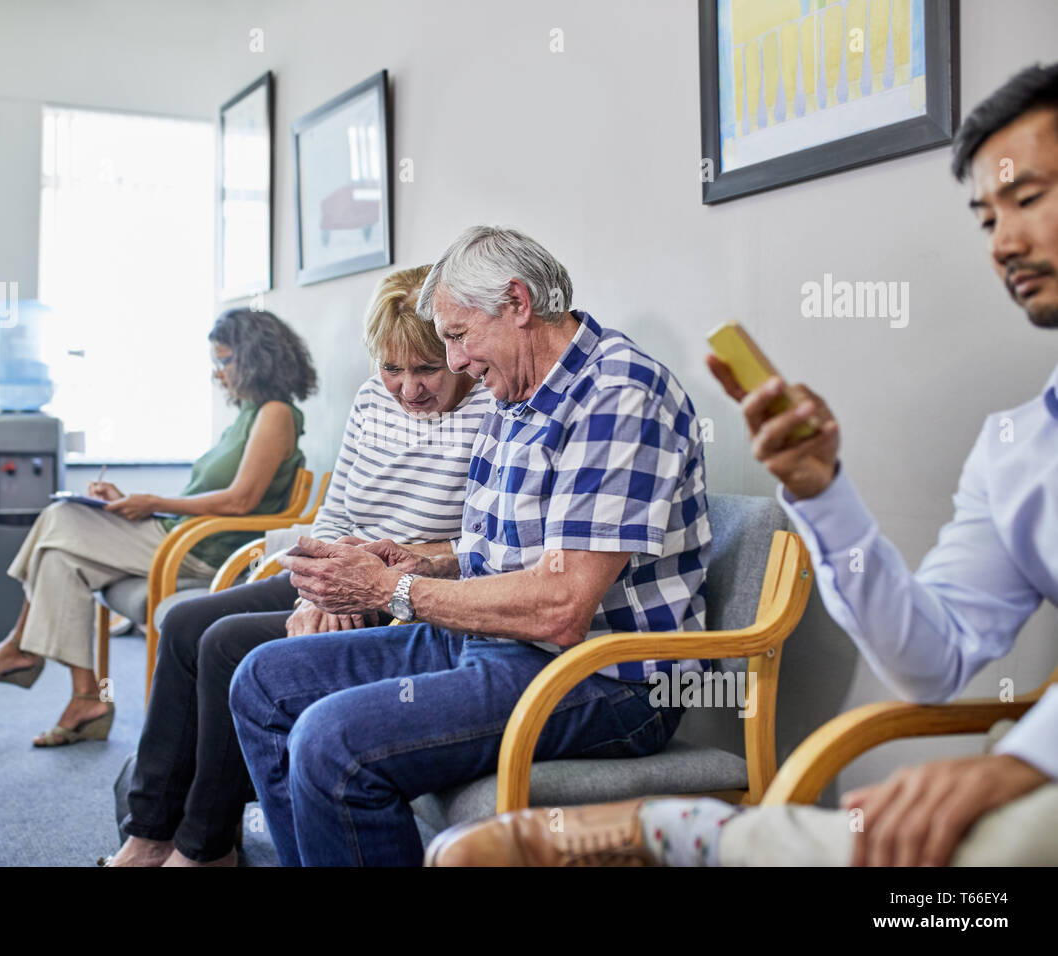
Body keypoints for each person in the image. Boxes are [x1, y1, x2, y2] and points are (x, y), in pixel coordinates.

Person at [424, 63, 1058, 868]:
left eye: (1028, 199)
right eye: (986, 217)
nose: (1004, 240)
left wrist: (1023, 761)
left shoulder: (619, 387)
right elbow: (929, 664)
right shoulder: (1021, 449)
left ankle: (677, 836)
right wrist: (822, 494)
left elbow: (563, 601)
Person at [228, 225, 712, 866]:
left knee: (329, 740)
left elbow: (561, 607)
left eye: (457, 337)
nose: (454, 363)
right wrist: (419, 561)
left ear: (517, 303)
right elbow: (498, 551)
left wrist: (389, 590)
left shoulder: (617, 397)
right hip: (499, 642)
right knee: (261, 682)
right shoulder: (517, 392)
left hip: (606, 680)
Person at [105, 265, 490, 866]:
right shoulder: (371, 401)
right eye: (392, 369)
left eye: (425, 369)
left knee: (227, 645)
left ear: (457, 352)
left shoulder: (492, 406)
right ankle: (150, 832)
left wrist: (371, 587)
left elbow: (477, 544)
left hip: (400, 591)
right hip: (335, 573)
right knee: (185, 625)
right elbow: (336, 512)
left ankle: (204, 847)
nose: (408, 389)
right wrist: (315, 592)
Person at [0, 309, 316, 748]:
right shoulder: (247, 414)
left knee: (58, 517)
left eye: (223, 361)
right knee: (58, 557)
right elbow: (211, 498)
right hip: (180, 535)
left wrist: (153, 503)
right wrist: (130, 502)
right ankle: (86, 700)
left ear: (253, 359)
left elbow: (240, 500)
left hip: (205, 553)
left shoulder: (276, 414)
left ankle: (18, 645)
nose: (217, 373)